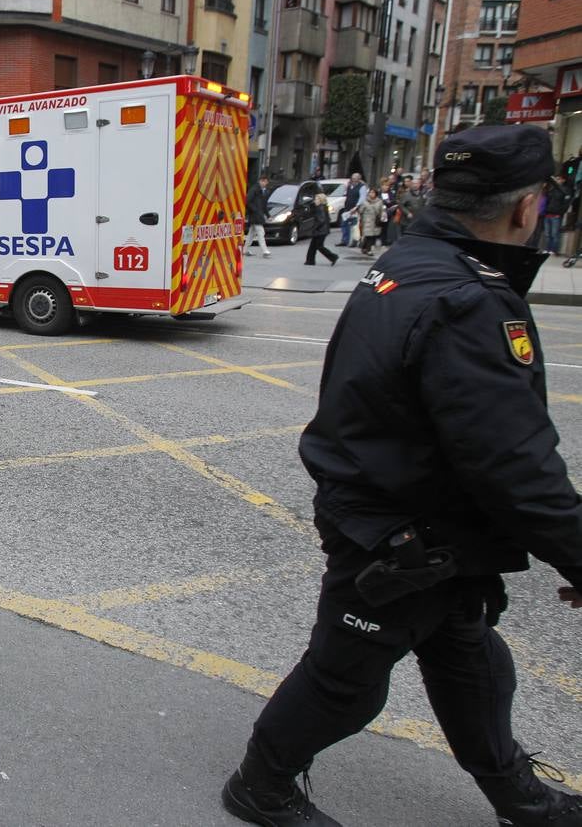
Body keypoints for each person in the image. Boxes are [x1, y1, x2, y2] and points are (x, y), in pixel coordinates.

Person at [220, 124, 582, 827]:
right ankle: (261, 786)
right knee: (344, 680)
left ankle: (517, 795)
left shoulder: (411, 262)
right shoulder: (467, 296)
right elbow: (514, 461)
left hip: (415, 522)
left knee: (472, 663)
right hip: (397, 532)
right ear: (525, 207)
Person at [541, 174, 573, 254]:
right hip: (547, 214)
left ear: (563, 180)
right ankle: (547, 249)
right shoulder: (553, 189)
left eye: (558, 179)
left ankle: (553, 250)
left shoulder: (565, 190)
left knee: (554, 234)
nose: (556, 180)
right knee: (547, 234)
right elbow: (547, 199)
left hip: (556, 215)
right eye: (556, 179)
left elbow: (566, 204)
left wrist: (560, 212)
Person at [303, 192, 338, 266]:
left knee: (319, 246)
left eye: (316, 199)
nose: (315, 200)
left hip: (320, 230)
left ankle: (333, 257)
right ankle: (310, 261)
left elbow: (321, 220)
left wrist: (314, 228)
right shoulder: (323, 207)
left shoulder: (320, 208)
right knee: (313, 246)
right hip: (323, 230)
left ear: (320, 200)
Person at [243, 174, 271, 258]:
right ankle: (265, 250)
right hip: (255, 215)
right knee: (261, 232)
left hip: (257, 215)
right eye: (265, 182)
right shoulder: (254, 189)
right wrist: (255, 210)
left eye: (266, 182)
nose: (266, 184)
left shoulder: (261, 190)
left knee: (251, 234)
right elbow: (247, 201)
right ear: (261, 181)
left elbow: (263, 205)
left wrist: (268, 215)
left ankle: (244, 250)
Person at [340, 172, 366, 247]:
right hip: (347, 208)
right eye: (353, 178)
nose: (353, 179)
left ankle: (356, 241)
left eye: (355, 178)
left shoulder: (362, 187)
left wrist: (356, 207)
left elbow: (362, 198)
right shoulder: (349, 186)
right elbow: (347, 195)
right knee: (344, 224)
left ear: (358, 179)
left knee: (355, 226)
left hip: (356, 209)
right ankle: (345, 240)